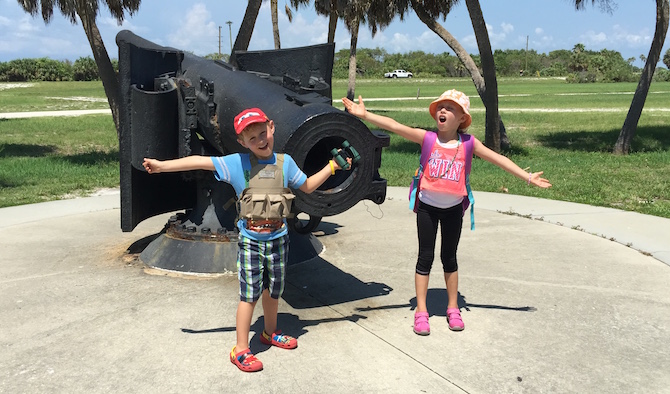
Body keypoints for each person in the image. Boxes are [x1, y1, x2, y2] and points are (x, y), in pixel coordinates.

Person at [142, 108, 351, 372]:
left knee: (274, 291)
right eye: (253, 138)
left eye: (263, 133)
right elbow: (198, 161)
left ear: (272, 127)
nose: (261, 141)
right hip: (252, 241)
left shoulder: (285, 163)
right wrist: (162, 166)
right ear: (242, 142)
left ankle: (269, 332)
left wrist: (332, 167)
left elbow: (307, 186)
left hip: (279, 239)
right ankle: (240, 348)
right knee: (249, 296)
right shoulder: (236, 163)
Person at [342, 90, 551, 336]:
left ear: (462, 118)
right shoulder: (428, 138)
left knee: (449, 259)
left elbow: (498, 159)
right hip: (427, 208)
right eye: (440, 107)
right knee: (425, 258)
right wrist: (365, 115)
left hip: (453, 210)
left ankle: (453, 308)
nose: (443, 111)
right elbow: (396, 126)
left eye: (450, 108)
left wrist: (526, 177)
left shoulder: (469, 144)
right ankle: (421, 311)